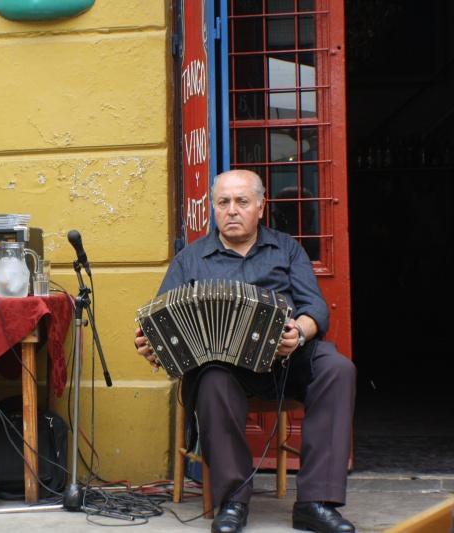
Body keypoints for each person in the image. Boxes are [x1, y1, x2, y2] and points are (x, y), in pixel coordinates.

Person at [134, 170, 356, 533]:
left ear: (260, 206)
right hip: (224, 370)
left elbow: (316, 308)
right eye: (223, 202)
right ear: (213, 208)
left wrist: (298, 331)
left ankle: (316, 502)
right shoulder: (190, 260)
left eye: (241, 202)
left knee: (338, 368)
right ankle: (233, 502)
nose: (232, 210)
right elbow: (161, 319)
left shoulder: (286, 248)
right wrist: (151, 344)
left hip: (284, 362)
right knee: (213, 380)